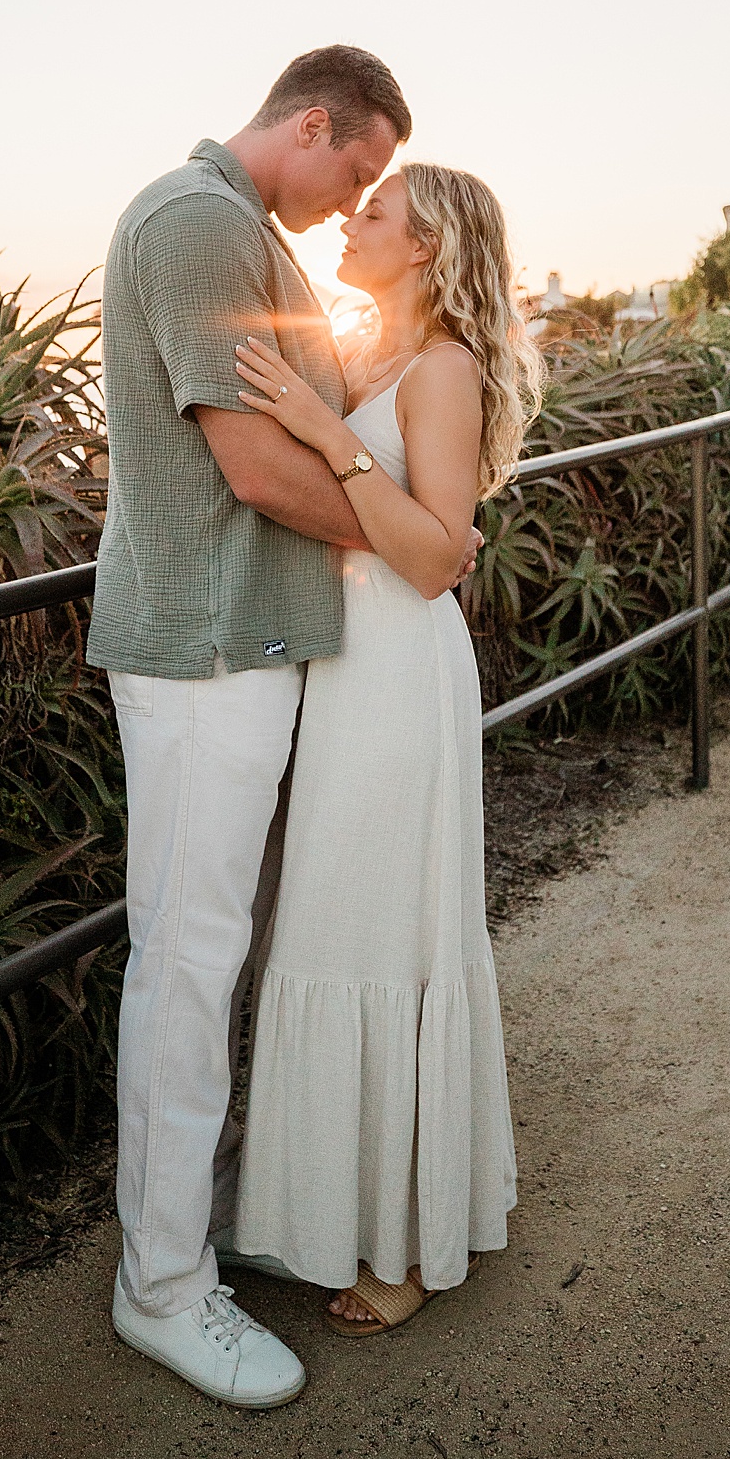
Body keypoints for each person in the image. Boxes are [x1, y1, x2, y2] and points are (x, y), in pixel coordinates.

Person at [85, 47, 478, 1408]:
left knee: (209, 953)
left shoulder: (238, 230)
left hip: (243, 644)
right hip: (201, 651)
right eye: (356, 173)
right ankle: (164, 1291)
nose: (346, 202)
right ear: (313, 123)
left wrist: (394, 538)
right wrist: (409, 544)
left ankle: (183, 1240)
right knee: (188, 964)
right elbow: (253, 465)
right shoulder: (198, 224)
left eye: (373, 193)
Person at [226, 162, 544, 1333]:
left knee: (384, 933)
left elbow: (432, 556)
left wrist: (320, 432)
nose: (351, 221)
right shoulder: (371, 356)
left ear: (424, 248)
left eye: (374, 213)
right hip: (344, 669)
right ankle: (328, 1211)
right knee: (329, 923)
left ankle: (404, 1249)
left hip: (399, 676)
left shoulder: (445, 370)